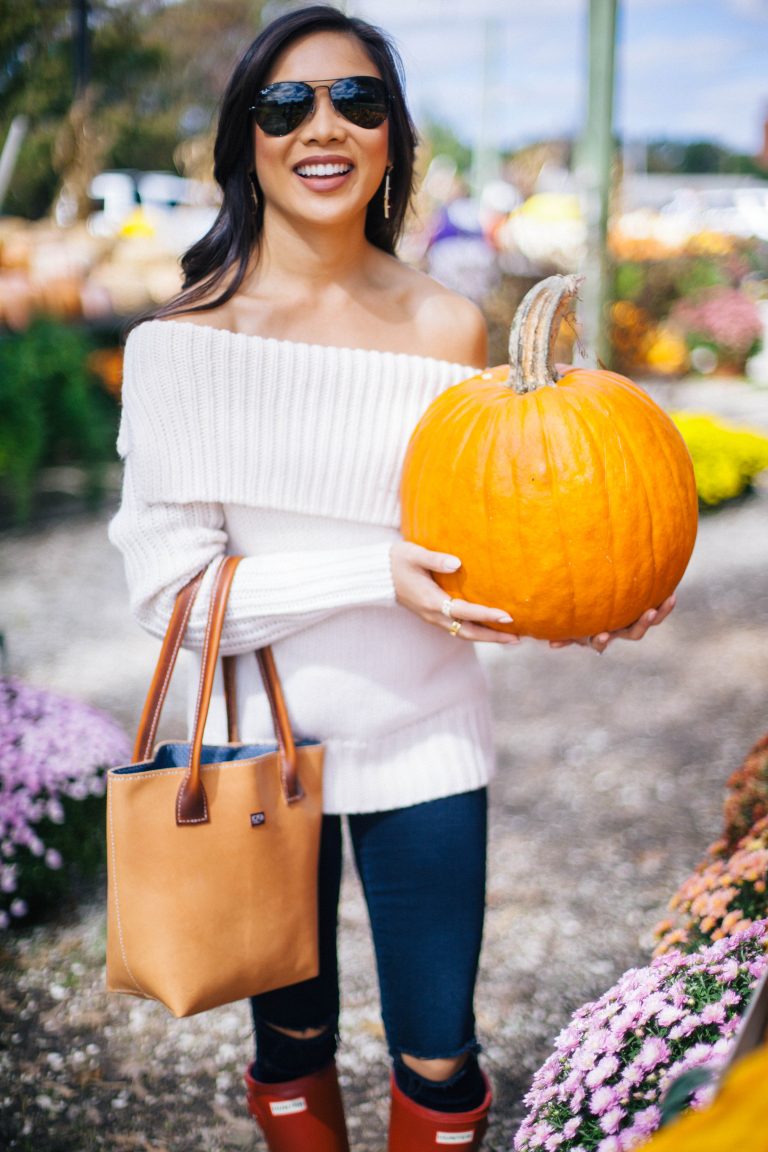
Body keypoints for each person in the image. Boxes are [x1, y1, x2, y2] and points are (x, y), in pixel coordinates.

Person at [109, 6, 674, 1150]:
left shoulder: (445, 326)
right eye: (287, 104)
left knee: (442, 1057)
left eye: (357, 100)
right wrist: (375, 573)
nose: (324, 125)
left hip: (427, 736)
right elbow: (175, 599)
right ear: (246, 141)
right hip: (257, 747)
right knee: (293, 1043)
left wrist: (585, 604)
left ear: (390, 139)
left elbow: (486, 528)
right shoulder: (180, 347)